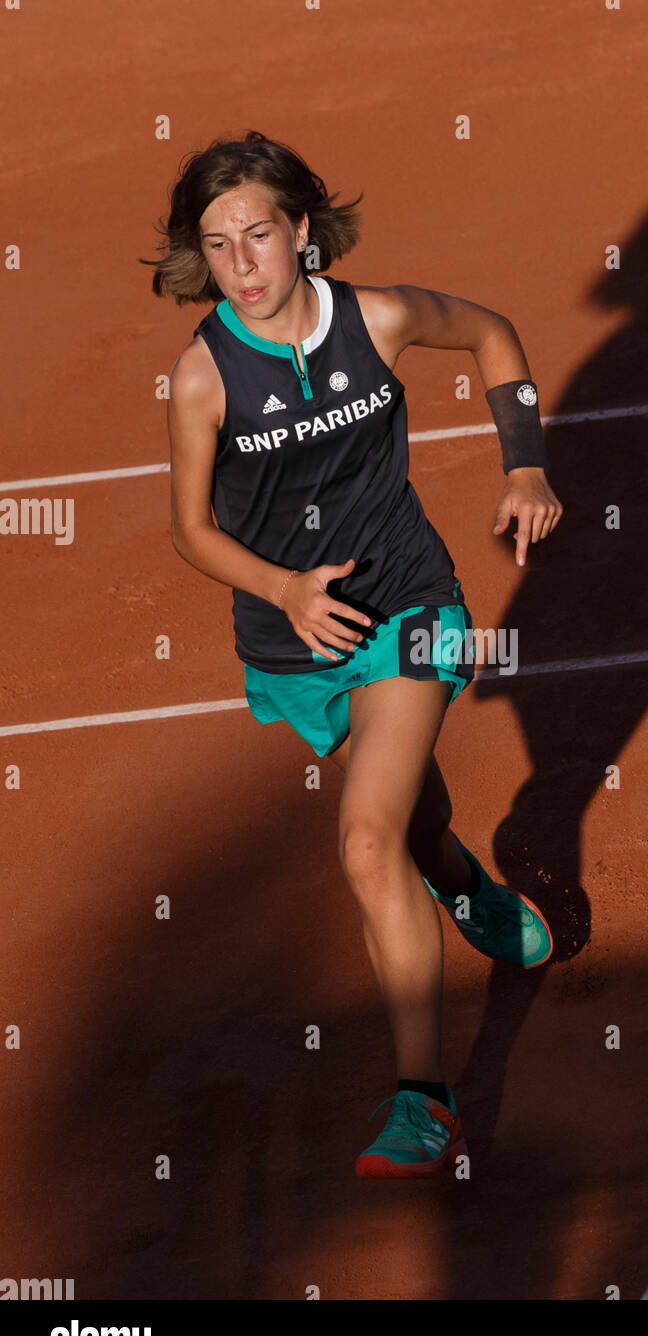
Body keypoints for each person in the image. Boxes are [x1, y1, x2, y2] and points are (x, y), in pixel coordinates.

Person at [143, 130, 563, 1177]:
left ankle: (424, 1101)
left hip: (410, 607)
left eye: (259, 235)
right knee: (411, 824)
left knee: (366, 840)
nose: (242, 263)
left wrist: (523, 468)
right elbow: (190, 530)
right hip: (293, 646)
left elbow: (494, 334)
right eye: (218, 244)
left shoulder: (377, 319)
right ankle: (464, 880)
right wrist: (283, 589)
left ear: (301, 233)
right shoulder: (200, 379)